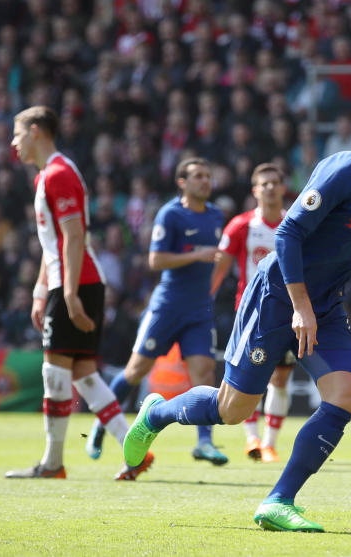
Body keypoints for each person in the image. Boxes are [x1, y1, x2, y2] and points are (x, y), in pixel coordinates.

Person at [122, 93, 351, 532]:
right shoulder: (344, 170)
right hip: (275, 296)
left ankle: (278, 500)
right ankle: (156, 414)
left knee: (346, 395)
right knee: (233, 411)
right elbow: (287, 234)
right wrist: (299, 306)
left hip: (325, 304)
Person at [6, 106, 151, 481]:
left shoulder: (58, 174)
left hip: (78, 282)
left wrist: (68, 294)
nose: (13, 142)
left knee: (55, 374)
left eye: (18, 134)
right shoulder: (47, 176)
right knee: (85, 375)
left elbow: (73, 238)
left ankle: (52, 465)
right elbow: (51, 243)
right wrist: (42, 291)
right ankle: (134, 452)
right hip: (71, 281)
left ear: (36, 131)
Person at [86, 157, 228, 466]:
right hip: (168, 307)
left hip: (199, 310)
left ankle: (204, 442)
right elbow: (155, 261)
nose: (206, 181)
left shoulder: (217, 216)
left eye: (208, 175)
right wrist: (197, 255)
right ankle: (102, 421)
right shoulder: (171, 214)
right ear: (182, 182)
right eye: (198, 176)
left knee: (203, 373)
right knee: (136, 371)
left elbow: (219, 260)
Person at [210, 163, 292, 463]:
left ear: (283, 188)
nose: (270, 188)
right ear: (255, 190)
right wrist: (205, 301)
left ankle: (269, 443)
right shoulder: (241, 225)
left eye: (275, 182)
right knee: (249, 378)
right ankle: (252, 439)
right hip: (251, 314)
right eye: (264, 183)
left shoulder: (294, 223)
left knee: (280, 380)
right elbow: (220, 267)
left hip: (286, 314)